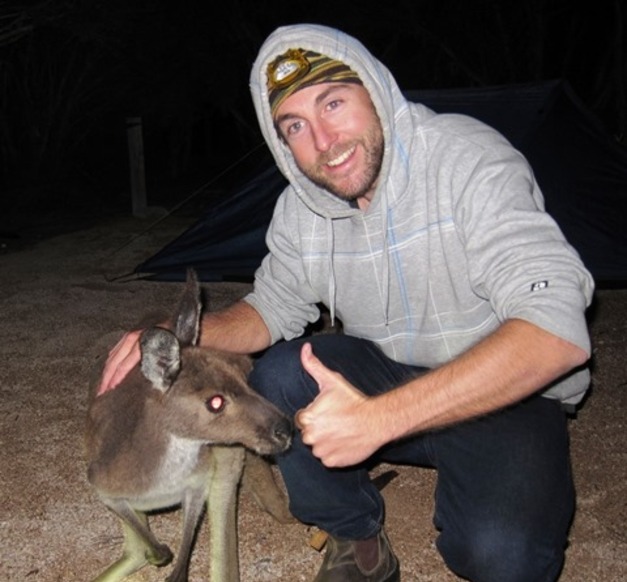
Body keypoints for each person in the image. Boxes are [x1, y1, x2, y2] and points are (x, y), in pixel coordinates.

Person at [100, 24, 595, 582]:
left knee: (498, 556)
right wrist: (180, 334)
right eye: (295, 125)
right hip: (382, 378)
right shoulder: (301, 209)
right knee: (279, 374)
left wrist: (382, 419)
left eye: (333, 103)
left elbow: (556, 331)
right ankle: (356, 537)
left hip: (499, 393)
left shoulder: (469, 161)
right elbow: (270, 311)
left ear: (376, 91)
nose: (324, 140)